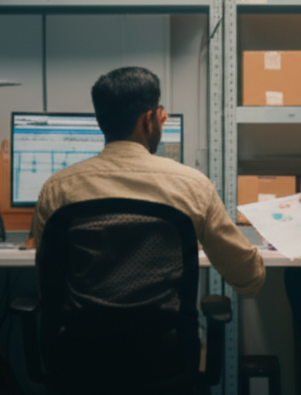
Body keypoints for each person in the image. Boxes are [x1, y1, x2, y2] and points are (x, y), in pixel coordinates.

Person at [30, 66, 265, 298]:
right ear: (147, 120)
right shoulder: (193, 186)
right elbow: (248, 276)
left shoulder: (57, 188)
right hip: (167, 335)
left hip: (80, 335)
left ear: (101, 122)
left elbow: (47, 280)